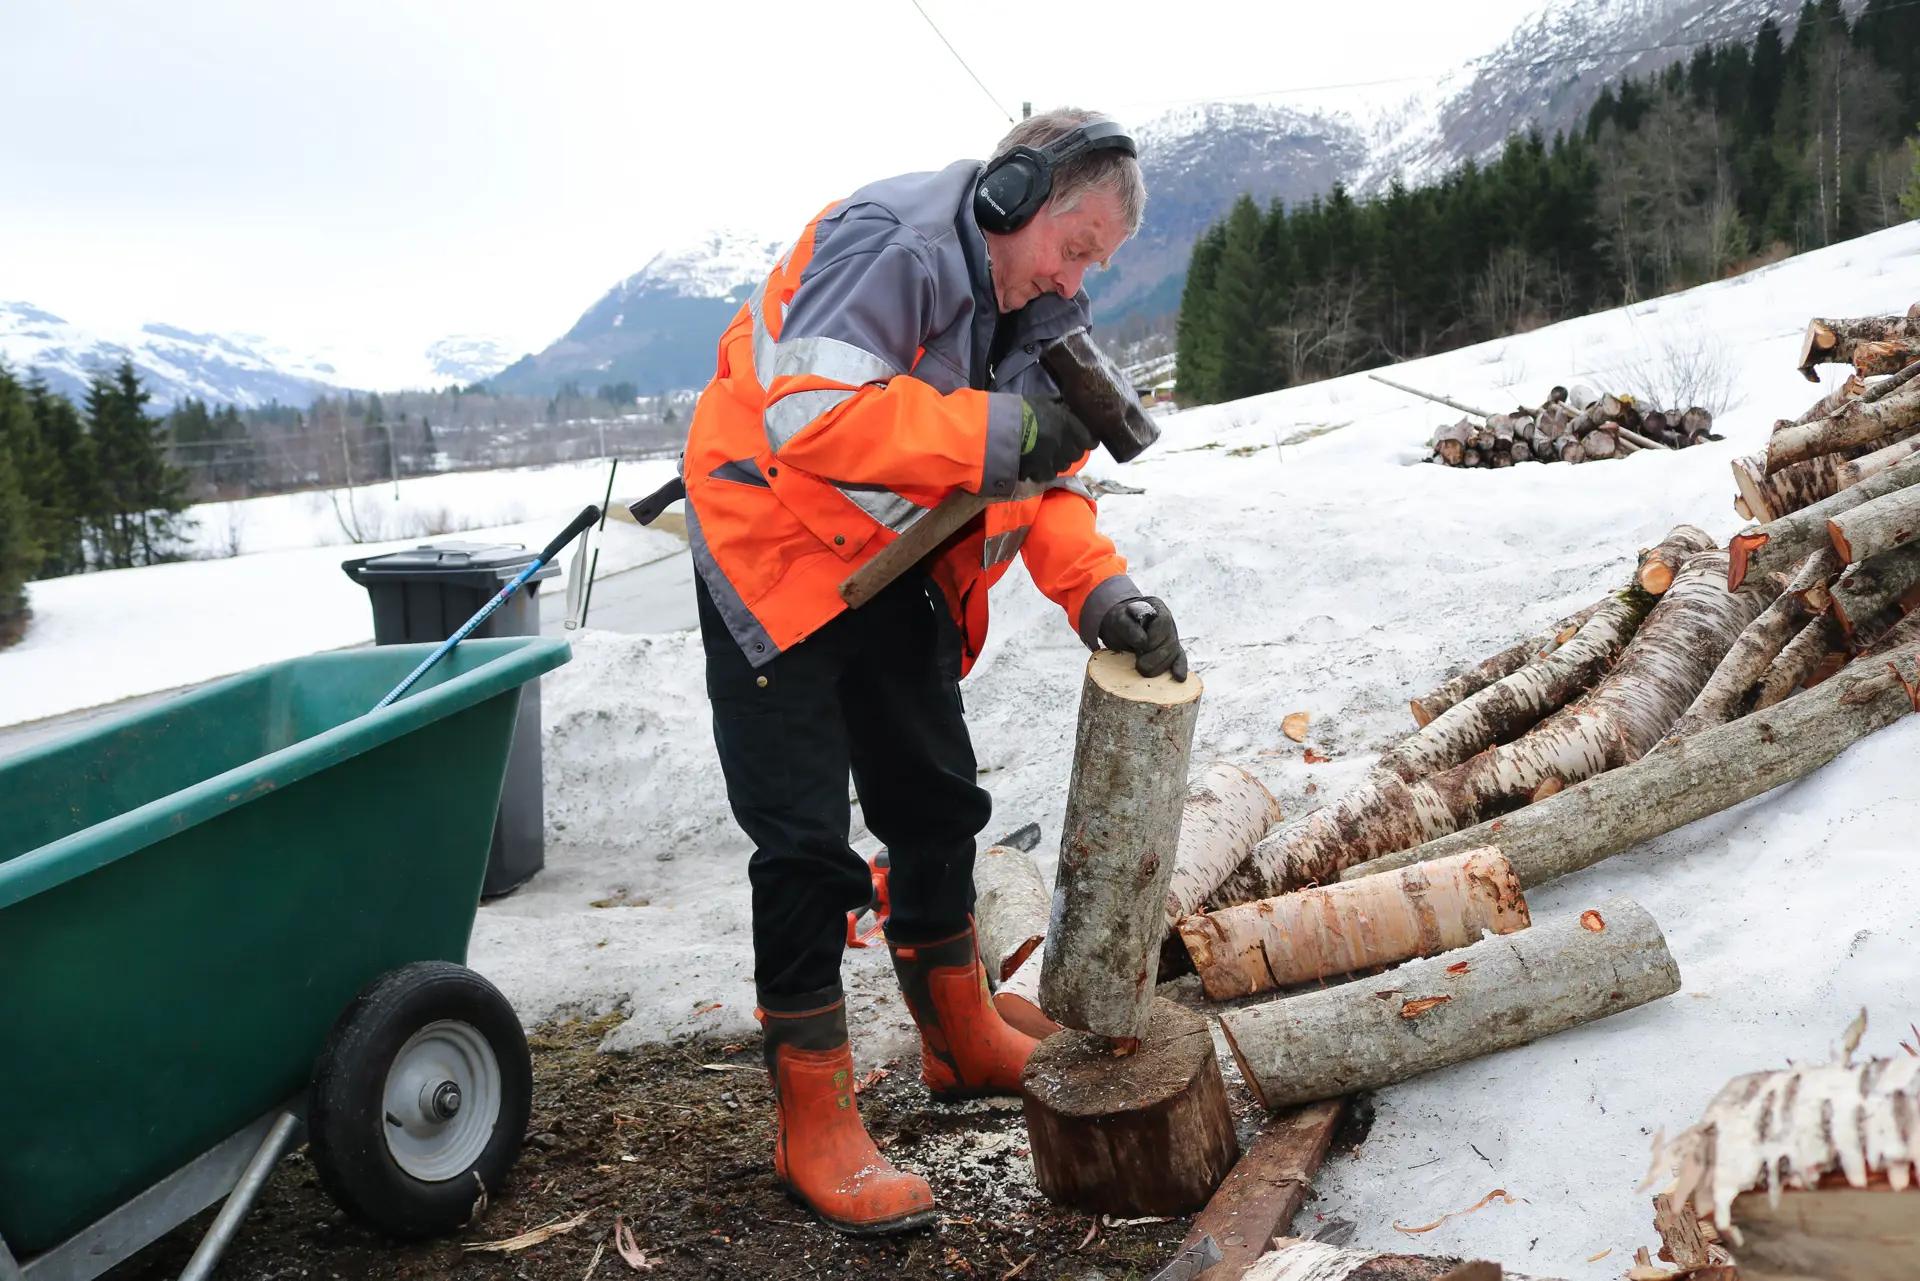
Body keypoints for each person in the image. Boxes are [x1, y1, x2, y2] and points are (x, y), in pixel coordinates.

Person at [679, 107, 1188, 1237]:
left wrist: (1100, 592)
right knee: (807, 842)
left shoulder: (1034, 307)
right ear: (1012, 197)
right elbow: (817, 416)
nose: (1078, 273)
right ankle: (813, 1114)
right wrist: (1005, 434)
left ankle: (958, 1034)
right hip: (773, 554)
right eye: (1073, 244)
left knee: (934, 796)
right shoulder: (893, 244)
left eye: (1097, 259)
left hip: (896, 555)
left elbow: (1038, 478)